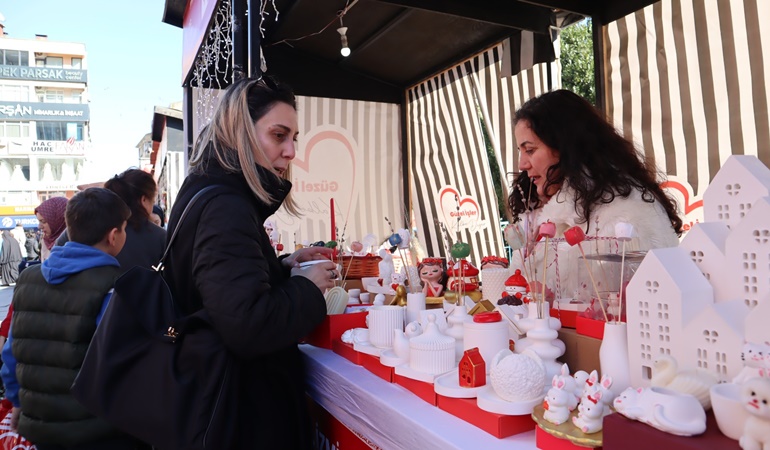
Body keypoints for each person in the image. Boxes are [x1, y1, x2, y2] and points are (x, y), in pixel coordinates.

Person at [162, 77, 336, 449]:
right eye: (279, 135)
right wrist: (308, 287)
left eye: (294, 139)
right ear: (241, 131)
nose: (291, 152)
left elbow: (220, 288)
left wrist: (284, 266)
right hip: (241, 416)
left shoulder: (211, 190)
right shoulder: (226, 206)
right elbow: (248, 327)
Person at [0, 188, 147, 449]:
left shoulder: (27, 279)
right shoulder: (115, 287)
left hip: (42, 426)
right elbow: (122, 364)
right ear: (114, 236)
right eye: (124, 229)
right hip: (99, 431)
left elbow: (12, 354)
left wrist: (19, 402)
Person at [508, 89, 682, 300]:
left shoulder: (623, 214)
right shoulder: (552, 213)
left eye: (530, 150)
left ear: (565, 147)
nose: (522, 164)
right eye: (520, 151)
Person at [34, 197, 68, 262]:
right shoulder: (46, 240)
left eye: (43, 221)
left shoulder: (75, 243)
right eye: (39, 221)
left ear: (59, 220)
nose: (39, 226)